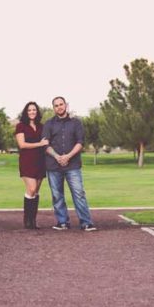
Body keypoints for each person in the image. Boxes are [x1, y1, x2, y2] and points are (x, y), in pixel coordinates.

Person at [41, 96, 97, 231]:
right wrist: (57, 156)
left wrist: (68, 156)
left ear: (66, 105)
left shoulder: (76, 123)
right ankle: (62, 222)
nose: (59, 107)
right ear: (53, 108)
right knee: (57, 195)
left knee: (79, 193)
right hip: (54, 165)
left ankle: (86, 222)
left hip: (73, 165)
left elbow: (80, 143)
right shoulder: (48, 124)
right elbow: (45, 144)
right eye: (56, 105)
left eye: (61, 104)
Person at [15, 101, 48, 229]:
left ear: (37, 112)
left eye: (34, 110)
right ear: (26, 112)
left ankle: (32, 221)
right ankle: (26, 219)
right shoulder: (20, 126)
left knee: (36, 191)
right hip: (27, 161)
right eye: (29, 110)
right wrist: (40, 144)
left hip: (40, 161)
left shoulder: (41, 126)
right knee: (32, 189)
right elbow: (22, 145)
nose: (32, 112)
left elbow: (47, 142)